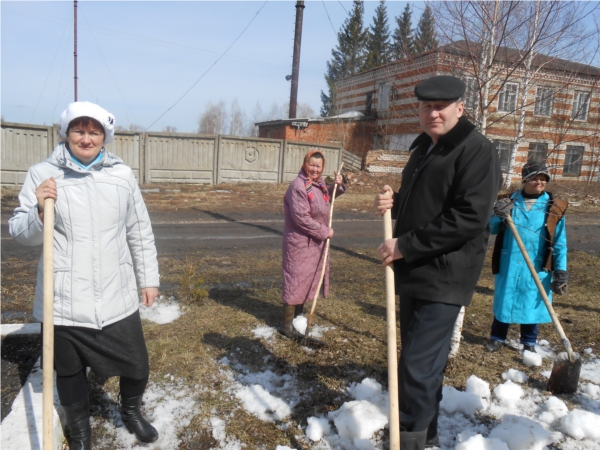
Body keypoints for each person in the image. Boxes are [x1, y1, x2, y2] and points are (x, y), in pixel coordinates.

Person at [9, 102, 160, 449]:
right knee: (69, 371)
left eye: (94, 132)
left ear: (105, 136)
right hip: (64, 299)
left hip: (115, 292)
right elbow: (20, 233)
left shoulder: (121, 176)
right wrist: (39, 211)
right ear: (66, 133)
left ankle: (132, 412)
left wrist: (147, 278)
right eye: (79, 130)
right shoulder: (43, 174)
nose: (86, 138)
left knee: (137, 363)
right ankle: (79, 433)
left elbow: (139, 229)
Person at [374, 75, 502, 450]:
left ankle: (410, 441)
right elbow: (430, 204)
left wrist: (405, 245)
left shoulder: (476, 150)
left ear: (459, 109)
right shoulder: (422, 149)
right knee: (420, 368)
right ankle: (422, 437)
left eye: (440, 106)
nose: (433, 113)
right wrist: (395, 202)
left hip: (445, 275)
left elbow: (469, 217)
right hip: (415, 269)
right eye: (426, 106)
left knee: (415, 367)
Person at [485, 162, 568, 353]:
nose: (539, 182)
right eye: (534, 177)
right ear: (525, 179)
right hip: (510, 262)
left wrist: (561, 270)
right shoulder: (508, 201)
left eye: (543, 178)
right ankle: (497, 337)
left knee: (532, 300)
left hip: (538, 263)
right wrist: (498, 214)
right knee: (505, 298)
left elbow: (560, 242)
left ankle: (529, 342)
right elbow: (491, 228)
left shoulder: (554, 207)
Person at [281, 150, 344, 339]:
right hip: (300, 243)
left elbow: (325, 200)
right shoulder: (299, 186)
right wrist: (325, 232)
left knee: (307, 280)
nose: (315, 169)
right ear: (304, 164)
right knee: (295, 280)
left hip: (314, 243)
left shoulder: (319, 184)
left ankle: (297, 318)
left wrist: (337, 186)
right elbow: (301, 218)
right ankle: (286, 325)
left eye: (318, 166)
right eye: (312, 165)